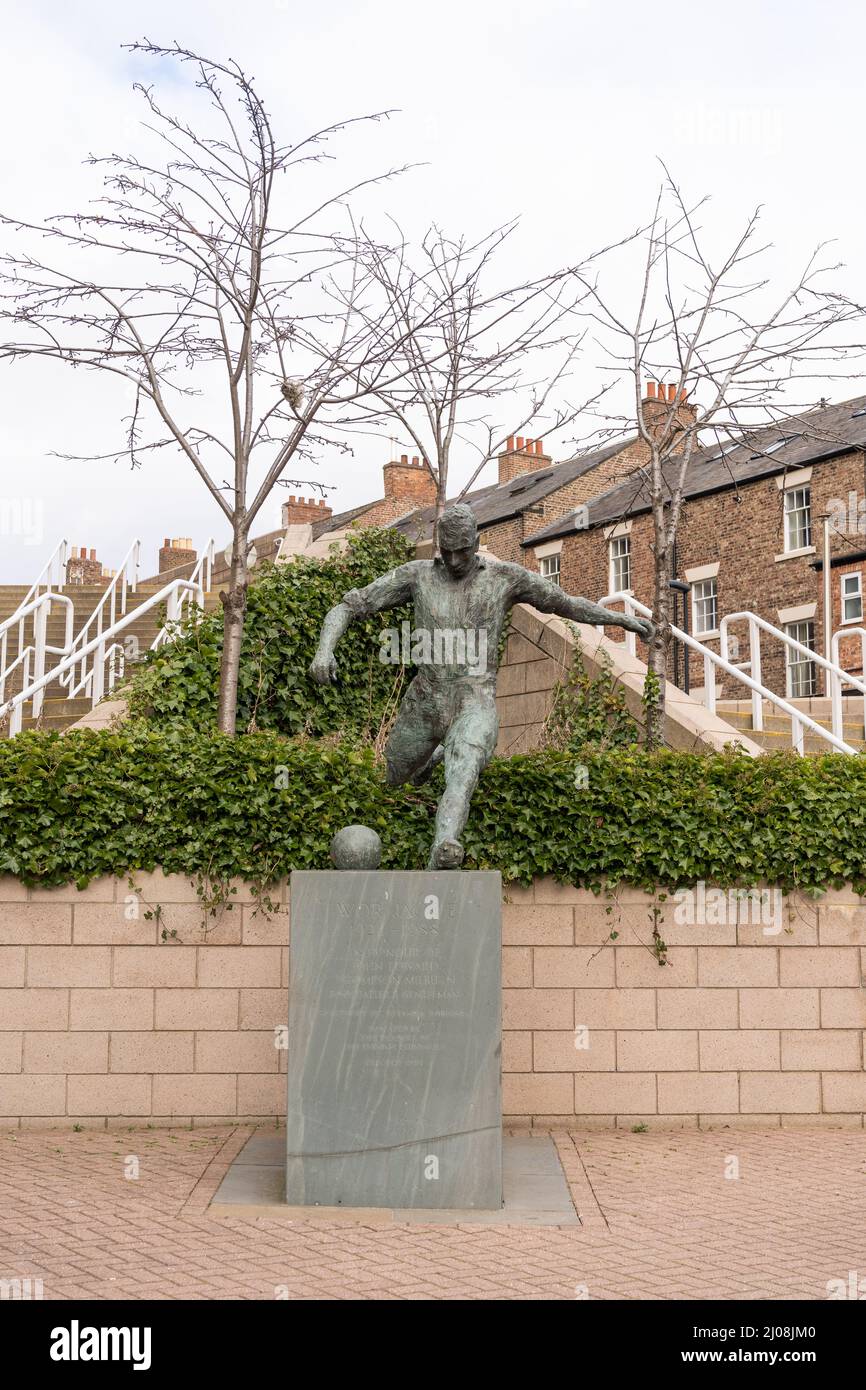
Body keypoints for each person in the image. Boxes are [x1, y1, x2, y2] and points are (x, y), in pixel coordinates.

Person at [310, 504, 654, 869]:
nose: (456, 560)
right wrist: (323, 651)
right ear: (438, 546)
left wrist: (619, 618)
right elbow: (349, 606)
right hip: (425, 702)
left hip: (475, 699)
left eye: (463, 550)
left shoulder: (506, 577)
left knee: (464, 770)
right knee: (395, 777)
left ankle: (445, 844)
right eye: (447, 551)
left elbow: (565, 604)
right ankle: (435, 757)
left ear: (476, 542)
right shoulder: (416, 576)